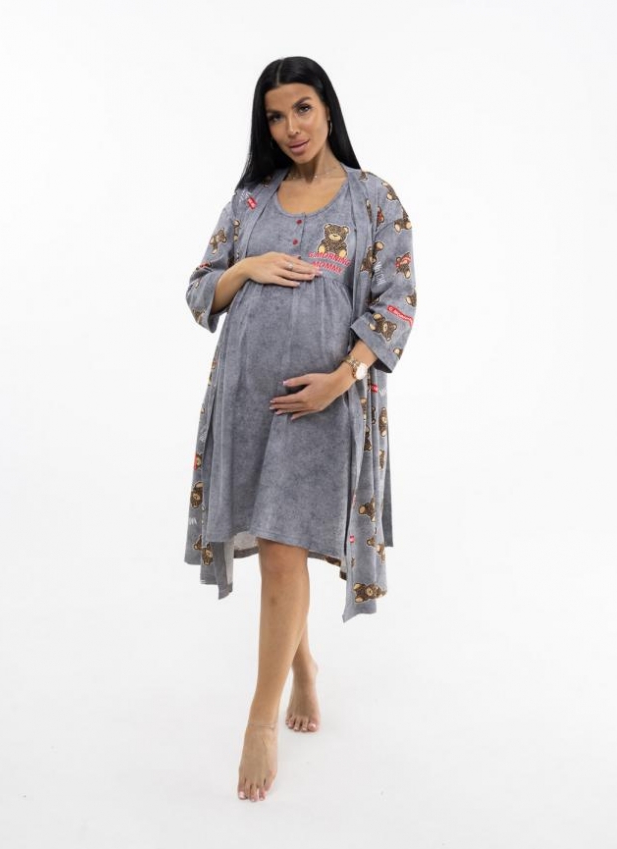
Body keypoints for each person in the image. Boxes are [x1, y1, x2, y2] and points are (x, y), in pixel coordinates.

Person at [183, 56, 417, 802]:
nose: (290, 127)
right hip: (247, 399)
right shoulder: (251, 200)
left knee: (285, 551)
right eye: (276, 116)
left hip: (326, 402)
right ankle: (304, 667)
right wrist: (247, 268)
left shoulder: (373, 197)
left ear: (328, 110)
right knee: (278, 556)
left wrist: (339, 380)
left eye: (303, 109)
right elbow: (200, 287)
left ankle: (260, 721)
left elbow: (397, 303)